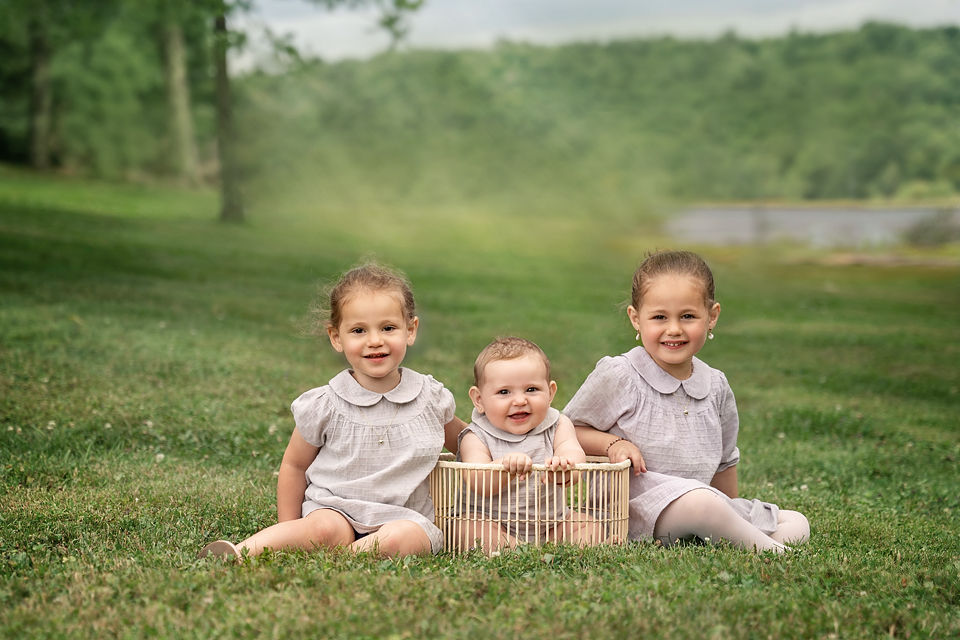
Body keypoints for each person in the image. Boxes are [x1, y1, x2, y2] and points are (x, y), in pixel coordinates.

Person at [200, 263, 465, 560]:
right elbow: (294, 466)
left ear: (410, 330)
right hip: (336, 508)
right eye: (358, 330)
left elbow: (466, 441)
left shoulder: (430, 398)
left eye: (388, 328)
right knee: (324, 530)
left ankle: (342, 560)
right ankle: (241, 553)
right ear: (336, 337)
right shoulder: (326, 403)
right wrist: (291, 526)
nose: (374, 340)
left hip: (405, 517)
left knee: (404, 537)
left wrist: (505, 450)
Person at [564, 250, 810, 552]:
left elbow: (725, 460)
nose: (674, 329)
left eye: (688, 316)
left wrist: (731, 511)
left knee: (797, 522)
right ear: (635, 319)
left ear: (712, 317)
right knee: (702, 503)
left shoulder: (715, 385)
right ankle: (771, 552)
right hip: (633, 511)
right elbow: (566, 429)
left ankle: (729, 536)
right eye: (659, 317)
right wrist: (612, 445)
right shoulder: (622, 375)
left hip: (703, 505)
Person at [455, 337, 603, 553]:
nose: (520, 401)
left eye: (531, 389)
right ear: (479, 399)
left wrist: (565, 464)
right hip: (493, 522)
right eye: (504, 392)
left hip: (552, 523)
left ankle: (543, 548)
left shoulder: (558, 424)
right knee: (465, 529)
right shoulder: (475, 435)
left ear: (550, 392)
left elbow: (573, 452)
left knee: (587, 525)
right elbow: (478, 481)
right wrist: (504, 468)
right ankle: (520, 550)